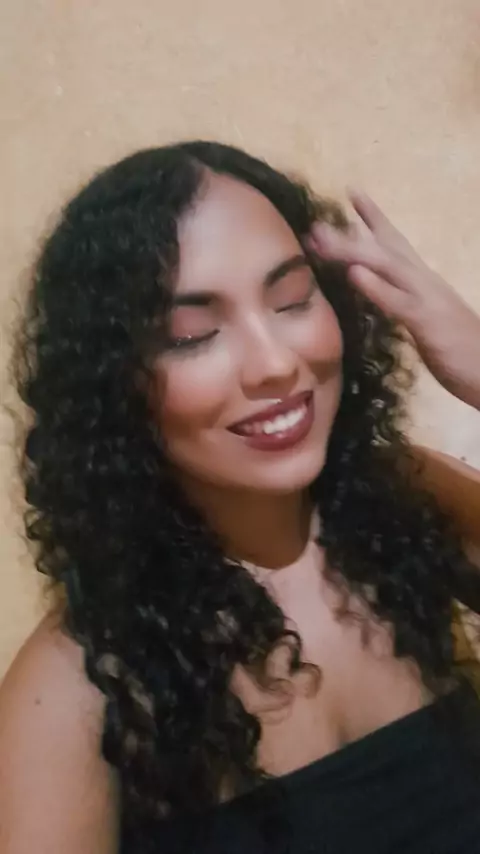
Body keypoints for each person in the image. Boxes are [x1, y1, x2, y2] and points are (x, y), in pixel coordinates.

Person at [1, 142, 480, 854]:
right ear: (112, 385)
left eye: (292, 299)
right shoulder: (76, 691)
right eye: (192, 336)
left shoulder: (407, 501)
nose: (275, 363)